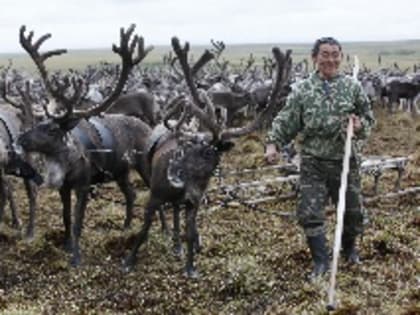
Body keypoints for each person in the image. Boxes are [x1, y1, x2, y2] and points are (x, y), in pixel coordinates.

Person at [264, 37, 375, 279]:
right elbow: (287, 120)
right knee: (310, 212)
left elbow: (368, 119)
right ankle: (321, 262)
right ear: (315, 58)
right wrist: (273, 143)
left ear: (341, 58)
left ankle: (350, 250)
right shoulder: (302, 90)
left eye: (335, 54)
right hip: (313, 161)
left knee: (352, 211)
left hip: (345, 160)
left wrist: (358, 125)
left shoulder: (352, 88)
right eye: (325, 54)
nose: (330, 59)